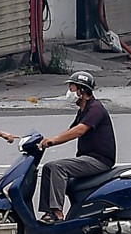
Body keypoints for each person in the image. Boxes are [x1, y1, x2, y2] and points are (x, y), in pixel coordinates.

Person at [37, 71, 116, 222]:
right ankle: (48, 212)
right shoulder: (83, 110)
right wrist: (45, 141)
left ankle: (57, 213)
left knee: (58, 167)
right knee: (48, 167)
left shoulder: (95, 108)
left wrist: (53, 140)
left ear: (82, 90)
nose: (69, 91)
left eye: (72, 87)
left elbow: (80, 130)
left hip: (99, 160)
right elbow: (70, 131)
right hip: (88, 158)